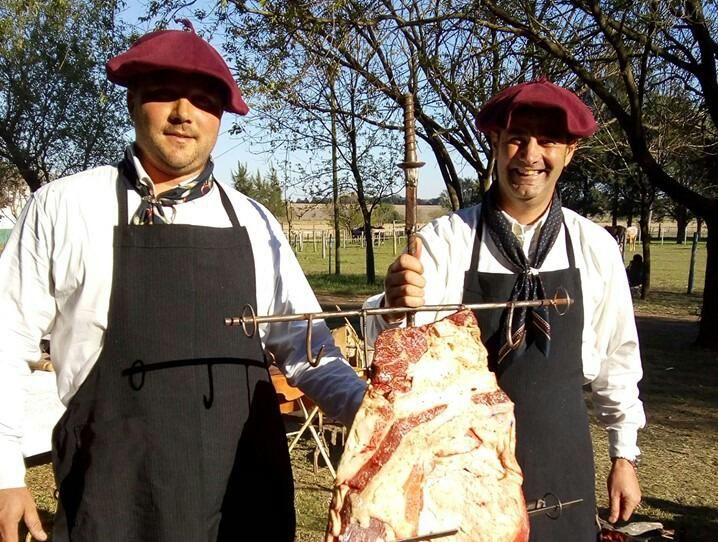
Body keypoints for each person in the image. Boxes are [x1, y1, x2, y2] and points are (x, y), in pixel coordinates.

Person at [0, 23, 366, 542]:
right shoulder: (64, 207)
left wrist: (373, 414)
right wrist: (4, 471)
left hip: (246, 499)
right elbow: (6, 338)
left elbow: (306, 347)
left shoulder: (254, 220)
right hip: (118, 497)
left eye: (202, 99)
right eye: (165, 94)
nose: (183, 113)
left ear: (220, 117)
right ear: (133, 103)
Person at [365, 79, 645, 541]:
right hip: (461, 475)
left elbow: (618, 360)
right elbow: (396, 345)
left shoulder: (595, 248)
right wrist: (395, 307)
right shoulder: (446, 241)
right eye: (517, 138)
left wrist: (624, 455)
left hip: (563, 472)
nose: (530, 154)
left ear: (569, 152)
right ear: (495, 143)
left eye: (547, 141)